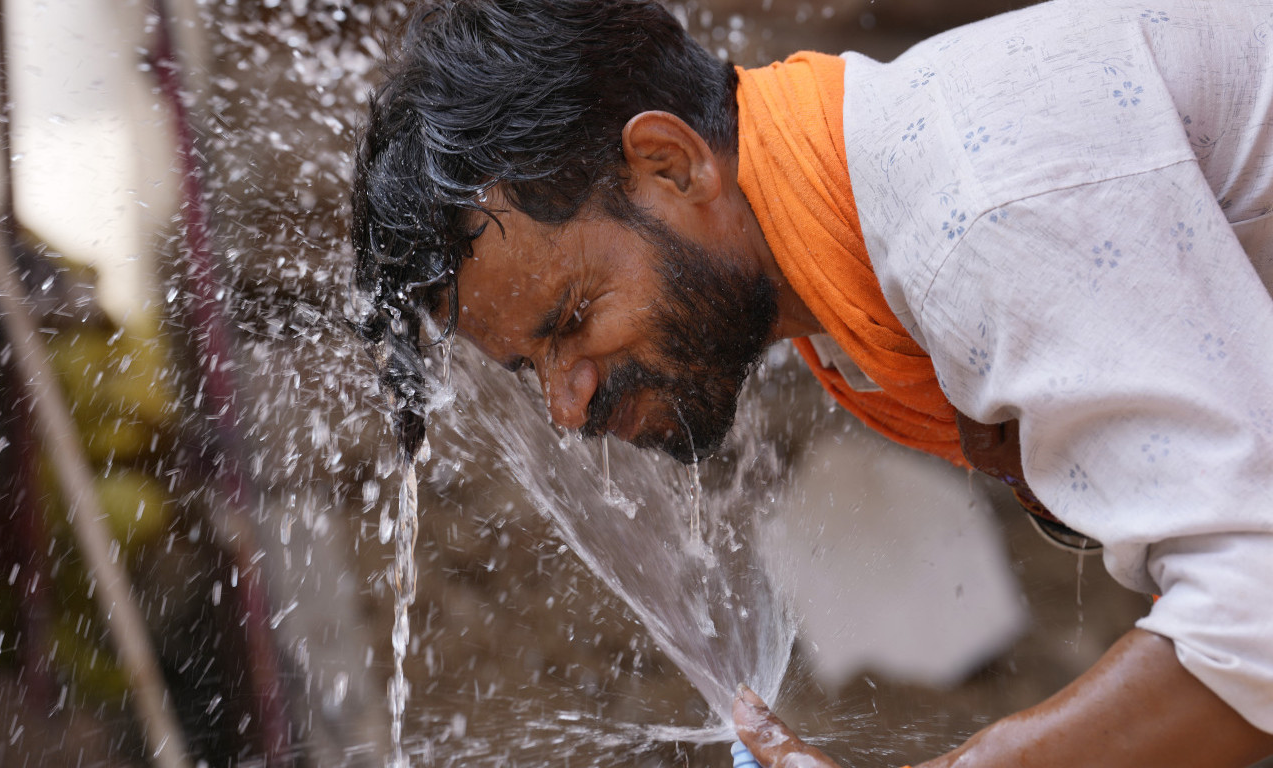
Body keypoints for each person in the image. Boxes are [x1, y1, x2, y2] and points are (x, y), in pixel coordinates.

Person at [351, 0, 1273, 765]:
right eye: (532, 367)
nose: (566, 403)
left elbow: (1253, 614)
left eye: (570, 322)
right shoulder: (869, 284)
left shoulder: (969, 205)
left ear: (672, 163)